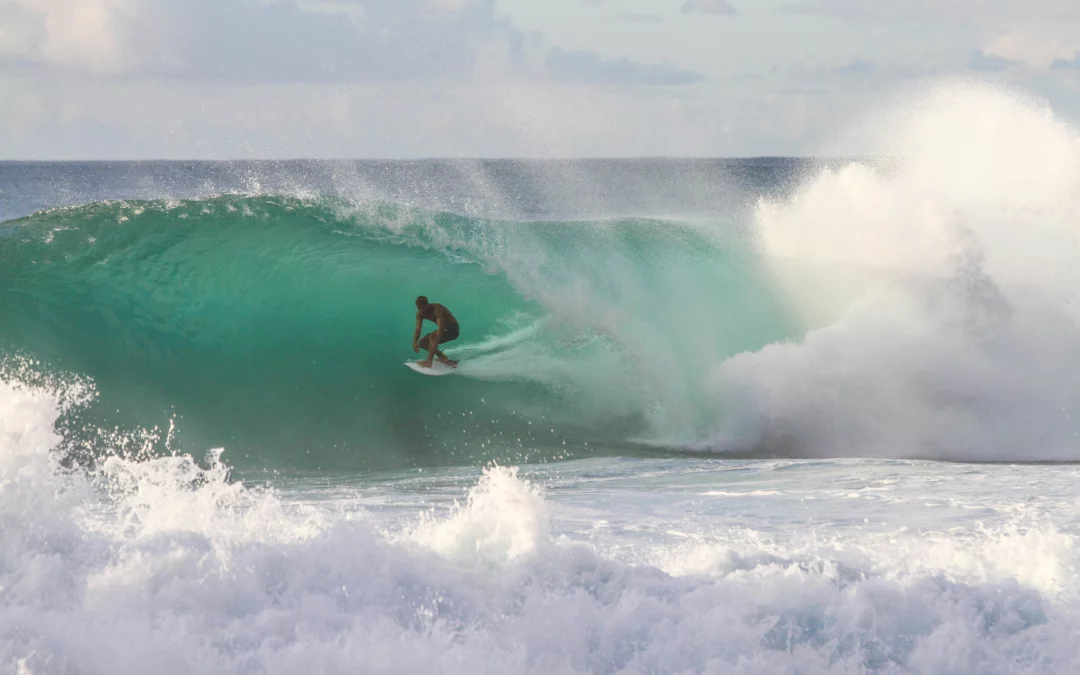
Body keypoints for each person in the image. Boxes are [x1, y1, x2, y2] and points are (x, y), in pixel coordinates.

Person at [412, 295, 459, 368]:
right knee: (422, 343)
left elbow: (441, 325)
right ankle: (443, 358)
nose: (420, 310)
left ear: (427, 305)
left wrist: (436, 341)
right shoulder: (419, 314)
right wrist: (414, 342)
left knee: (433, 337)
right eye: (418, 308)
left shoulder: (436, 308)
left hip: (453, 329)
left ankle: (428, 363)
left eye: (422, 308)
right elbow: (418, 329)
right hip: (444, 330)